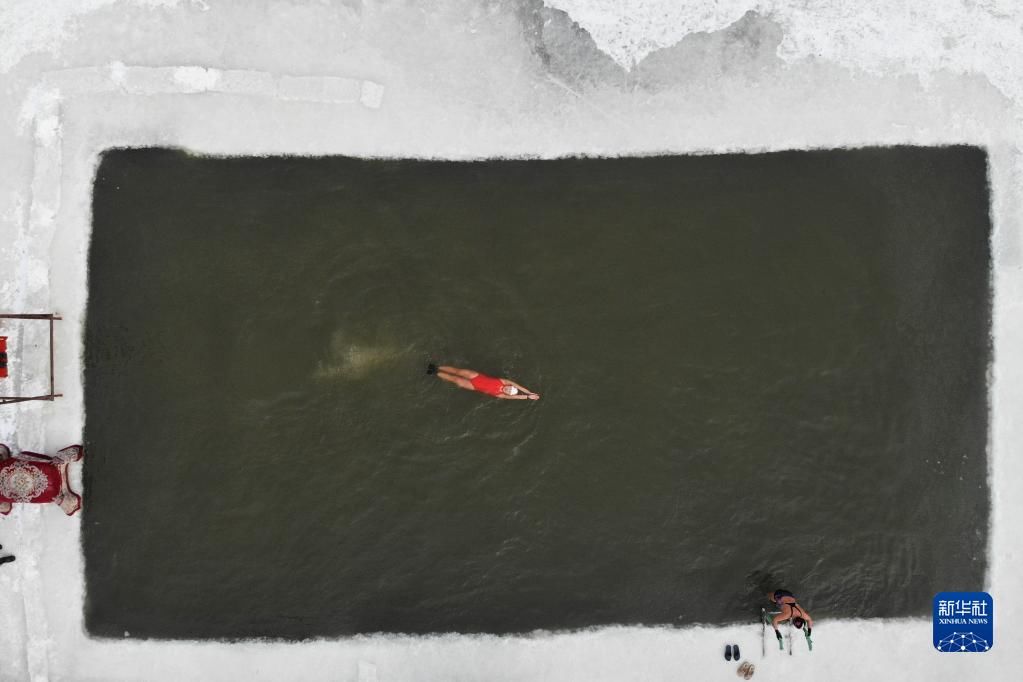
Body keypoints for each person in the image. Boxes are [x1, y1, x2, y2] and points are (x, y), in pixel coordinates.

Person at [427, 364, 539, 400]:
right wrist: (529, 392)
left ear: (507, 394)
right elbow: (517, 386)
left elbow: (517, 397)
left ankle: (434, 372)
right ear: (509, 385)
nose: (508, 389)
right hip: (477, 377)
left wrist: (527, 397)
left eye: (509, 391)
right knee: (459, 371)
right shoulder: (504, 382)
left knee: (456, 380)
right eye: (510, 388)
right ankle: (438, 367)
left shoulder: (501, 395)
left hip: (473, 386)